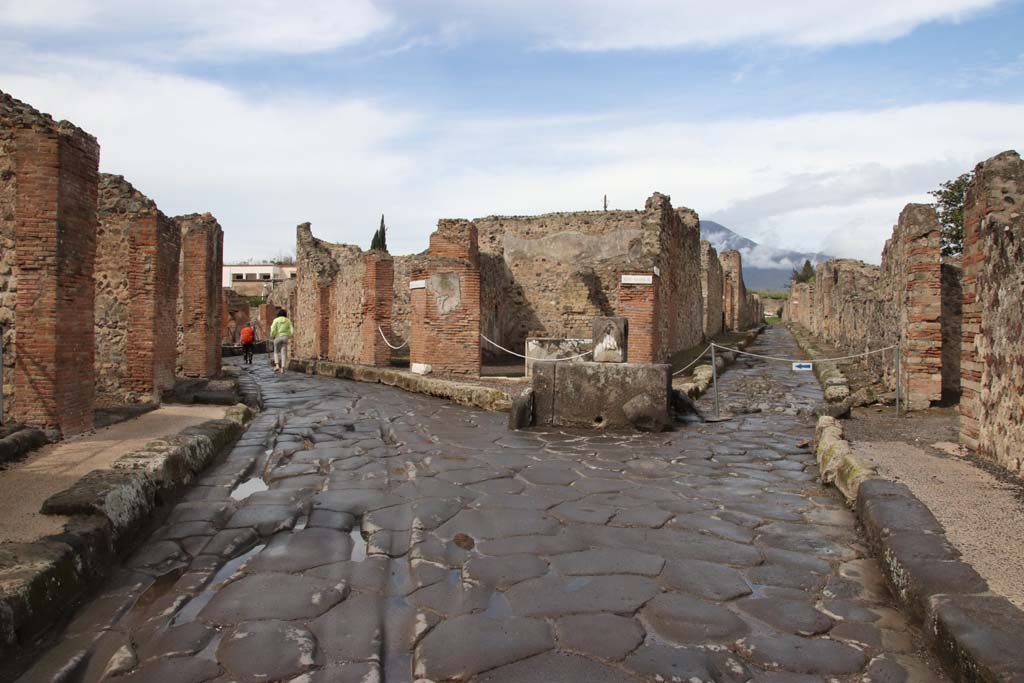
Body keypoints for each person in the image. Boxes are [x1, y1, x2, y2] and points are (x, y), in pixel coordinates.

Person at [270, 309, 294, 373]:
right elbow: (292, 330)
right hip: (285, 337)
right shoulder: (288, 320)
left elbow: (273, 329)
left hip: (277, 337)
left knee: (276, 352)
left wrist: (273, 335)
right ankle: (283, 368)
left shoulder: (275, 320)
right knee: (284, 353)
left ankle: (277, 365)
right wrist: (289, 335)